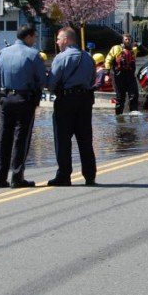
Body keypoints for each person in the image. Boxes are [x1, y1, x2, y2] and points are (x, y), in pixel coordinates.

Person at [0, 25, 45, 188]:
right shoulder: (33, 54)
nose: (34, 40)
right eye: (34, 37)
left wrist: (1, 95)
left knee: (3, 137)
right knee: (21, 138)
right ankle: (17, 177)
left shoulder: (2, 53)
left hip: (6, 99)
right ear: (28, 37)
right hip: (24, 98)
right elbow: (41, 80)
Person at [47, 27, 97, 186]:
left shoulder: (61, 58)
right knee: (85, 139)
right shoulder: (88, 58)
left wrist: (56, 90)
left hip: (66, 99)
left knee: (62, 139)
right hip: (84, 100)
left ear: (66, 40)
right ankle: (89, 175)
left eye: (59, 39)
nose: (57, 42)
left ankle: (64, 175)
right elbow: (92, 79)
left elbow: (51, 83)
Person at [105, 32, 139, 115]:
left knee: (134, 96)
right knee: (120, 98)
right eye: (126, 39)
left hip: (130, 76)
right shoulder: (116, 48)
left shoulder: (133, 50)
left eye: (129, 40)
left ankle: (133, 116)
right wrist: (107, 74)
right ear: (123, 40)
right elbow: (108, 60)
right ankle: (119, 117)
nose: (128, 41)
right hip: (119, 76)